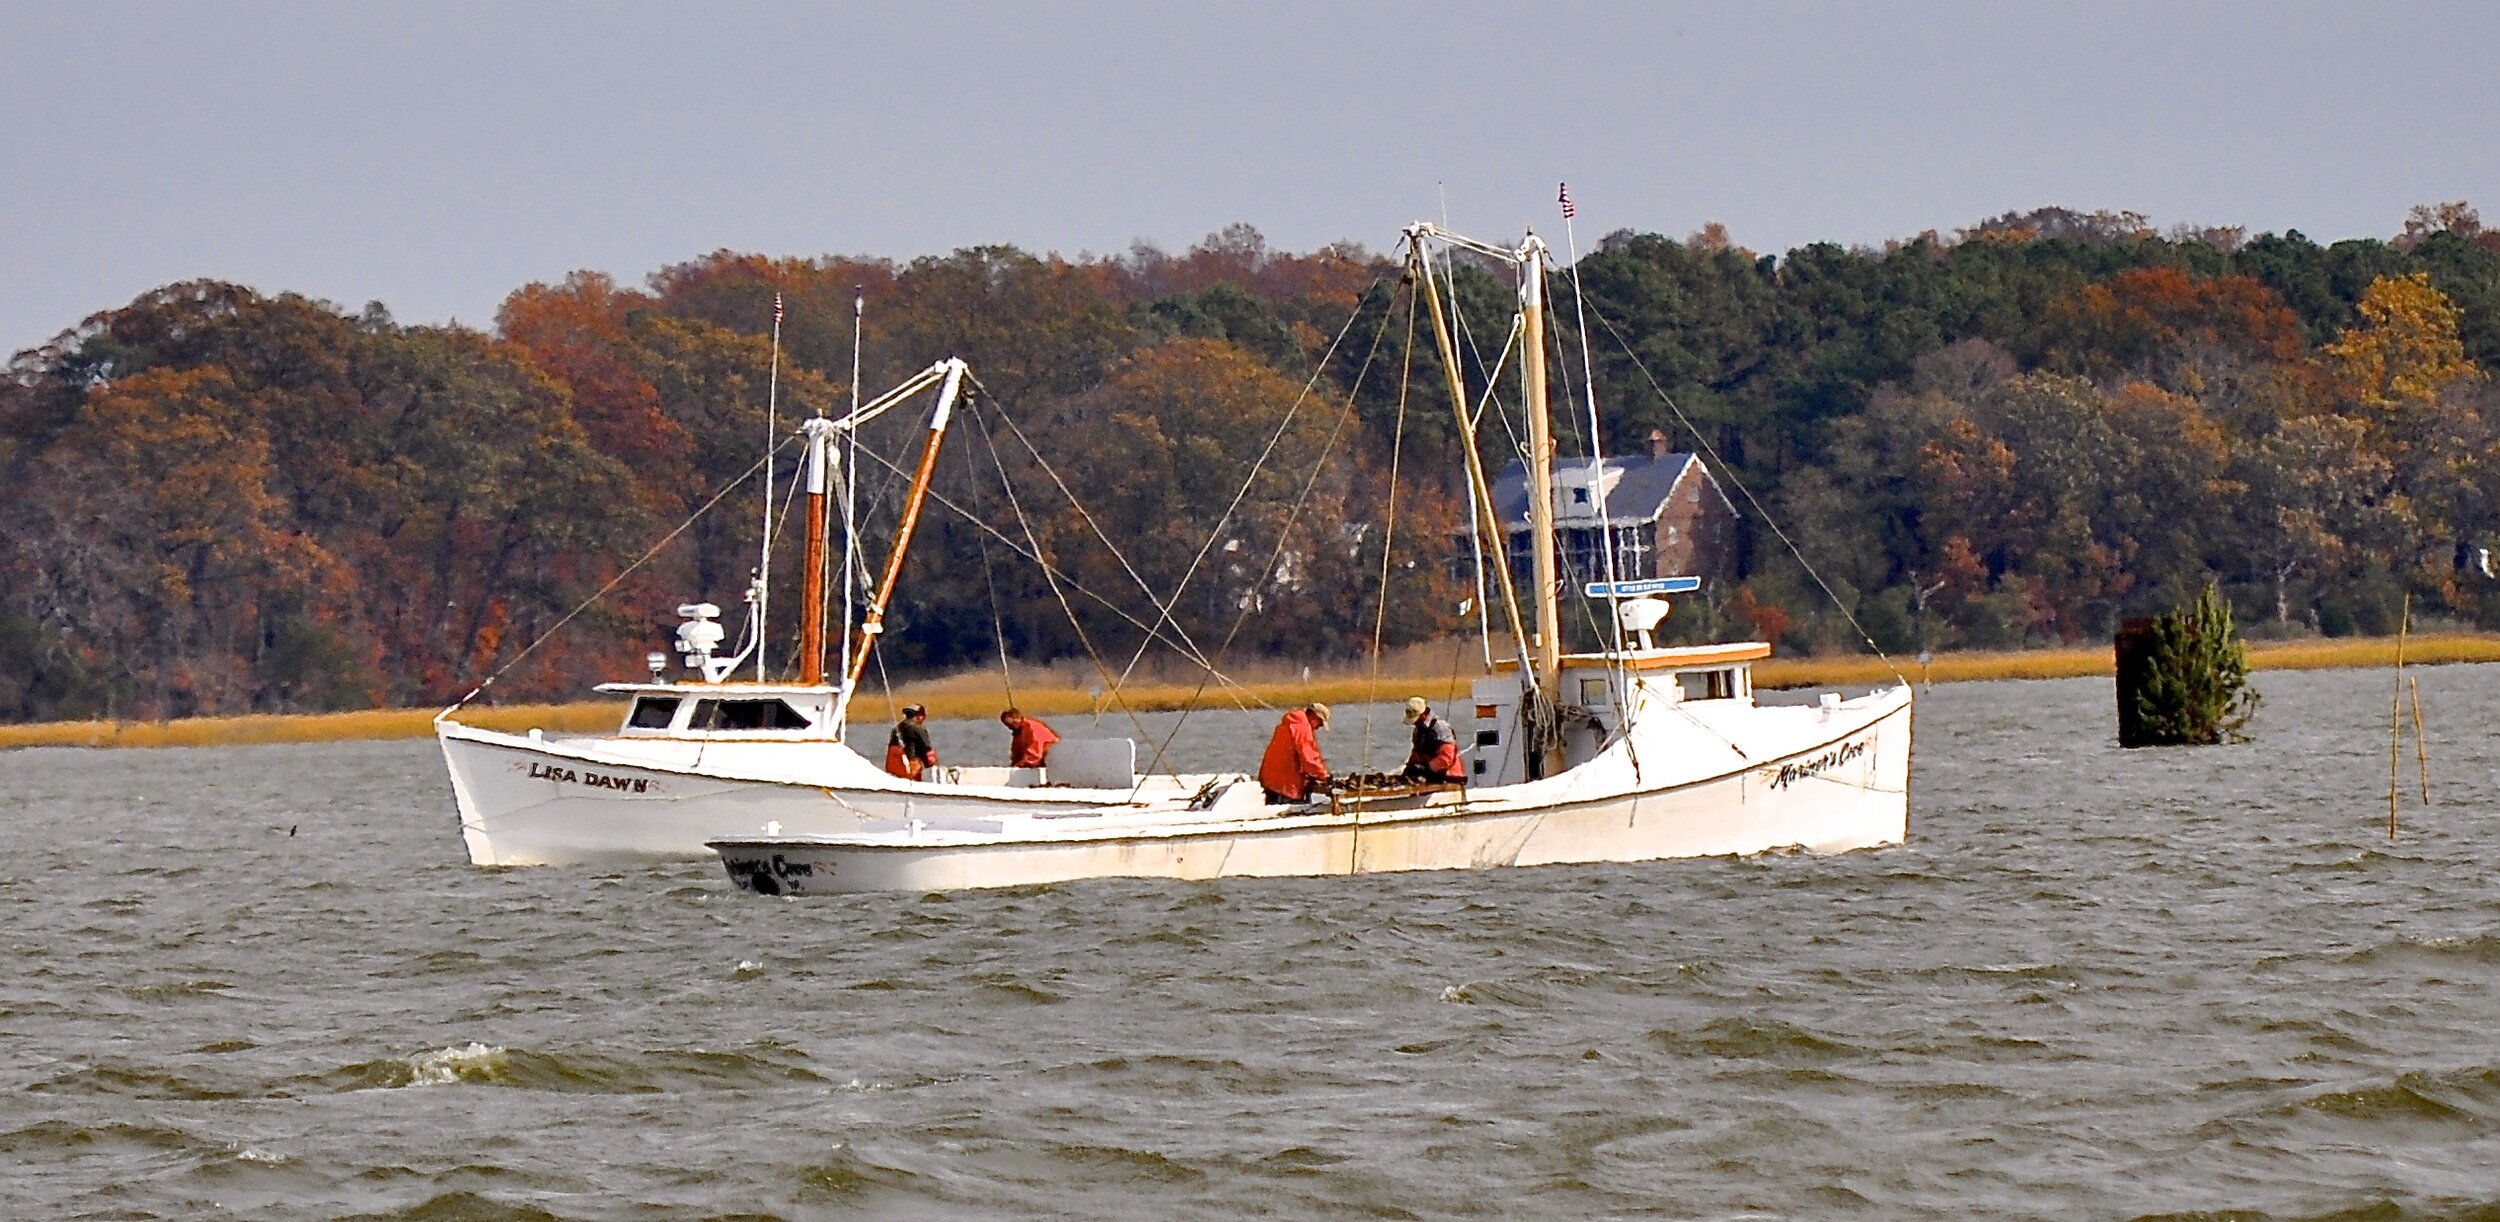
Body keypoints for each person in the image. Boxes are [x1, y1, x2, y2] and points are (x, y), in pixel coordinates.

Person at [1258, 702, 1331, 804]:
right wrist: (1324, 776)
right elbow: (1309, 758)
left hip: (1270, 780)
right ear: (1314, 717)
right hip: (1286, 783)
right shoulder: (1302, 728)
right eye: (1319, 723)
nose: (1318, 727)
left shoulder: (1287, 724)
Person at [1401, 696, 1465, 784]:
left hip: (1450, 778)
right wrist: (1408, 770)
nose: (1415, 723)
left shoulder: (1441, 728)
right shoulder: (1418, 731)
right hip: (1430, 778)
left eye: (1416, 720)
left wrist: (1425, 769)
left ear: (1423, 714)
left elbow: (1446, 758)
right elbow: (1416, 754)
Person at [884, 705, 937, 780]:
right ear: (920, 716)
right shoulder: (918, 729)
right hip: (910, 772)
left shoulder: (896, 729)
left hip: (893, 772)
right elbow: (928, 755)